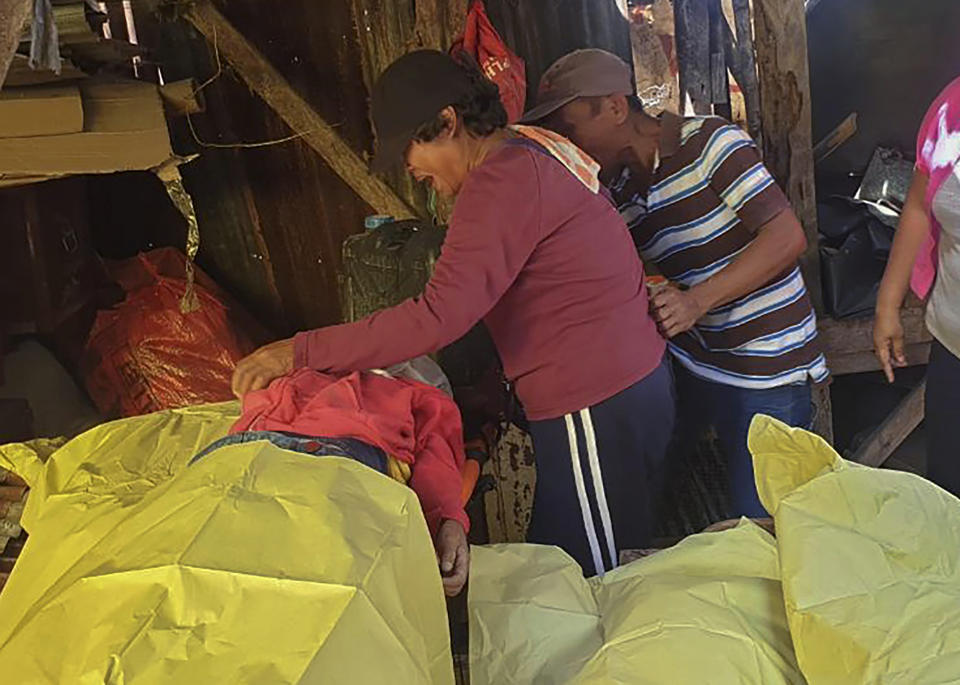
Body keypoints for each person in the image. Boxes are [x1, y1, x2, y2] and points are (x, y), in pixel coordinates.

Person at [231, 50, 674, 580]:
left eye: (411, 150)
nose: (412, 170)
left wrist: (298, 350)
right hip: (621, 385)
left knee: (594, 579)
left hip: (594, 401)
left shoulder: (499, 182)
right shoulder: (532, 149)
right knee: (561, 561)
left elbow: (438, 316)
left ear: (448, 121)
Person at [524, 49, 828, 519]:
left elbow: (787, 238)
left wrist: (695, 301)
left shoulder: (710, 142)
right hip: (699, 363)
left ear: (615, 107)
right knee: (670, 500)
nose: (568, 143)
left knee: (763, 524)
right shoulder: (620, 188)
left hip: (768, 366)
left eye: (570, 128)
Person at [874, 76, 960, 496]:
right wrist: (888, 303)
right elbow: (919, 205)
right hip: (953, 348)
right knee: (949, 502)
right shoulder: (952, 109)